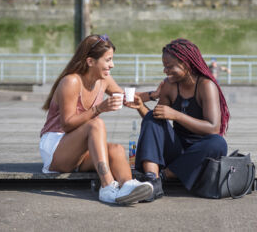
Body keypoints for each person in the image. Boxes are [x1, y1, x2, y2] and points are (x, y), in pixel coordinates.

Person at [39, 34, 153, 205]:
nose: (112, 65)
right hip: (56, 146)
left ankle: (128, 187)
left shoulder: (104, 80)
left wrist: (155, 94)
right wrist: (99, 109)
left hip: (80, 149)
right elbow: (67, 124)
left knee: (117, 149)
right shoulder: (71, 81)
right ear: (90, 61)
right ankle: (107, 186)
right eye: (108, 60)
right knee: (96, 124)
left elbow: (127, 97)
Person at [125, 38, 230, 202]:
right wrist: (140, 106)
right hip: (176, 148)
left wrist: (176, 115)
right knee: (152, 117)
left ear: (186, 64)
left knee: (218, 143)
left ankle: (163, 176)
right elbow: (156, 121)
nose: (165, 71)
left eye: (169, 66)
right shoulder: (169, 85)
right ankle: (152, 180)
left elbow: (213, 128)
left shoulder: (206, 85)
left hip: (199, 152)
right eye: (164, 66)